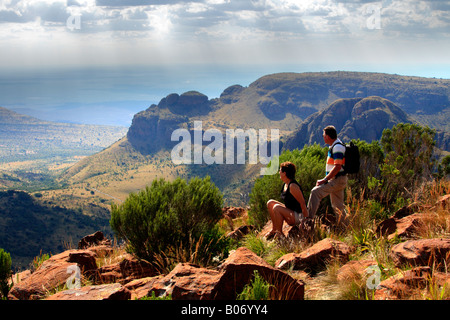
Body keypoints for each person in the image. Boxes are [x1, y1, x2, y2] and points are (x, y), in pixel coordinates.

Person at [307, 125, 348, 221]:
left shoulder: (337, 147)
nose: (323, 137)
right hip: (339, 179)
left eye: (323, 135)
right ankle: (345, 228)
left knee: (315, 192)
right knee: (338, 206)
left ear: (328, 137)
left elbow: (337, 166)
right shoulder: (336, 145)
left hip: (337, 179)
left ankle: (308, 219)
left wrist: (325, 180)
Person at [266, 161, 308, 239]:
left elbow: (302, 203)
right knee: (270, 203)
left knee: (276, 208)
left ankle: (280, 234)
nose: (279, 172)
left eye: (280, 170)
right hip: (291, 212)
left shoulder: (292, 186)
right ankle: (274, 229)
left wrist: (305, 220)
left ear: (284, 173)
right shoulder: (286, 184)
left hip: (298, 216)